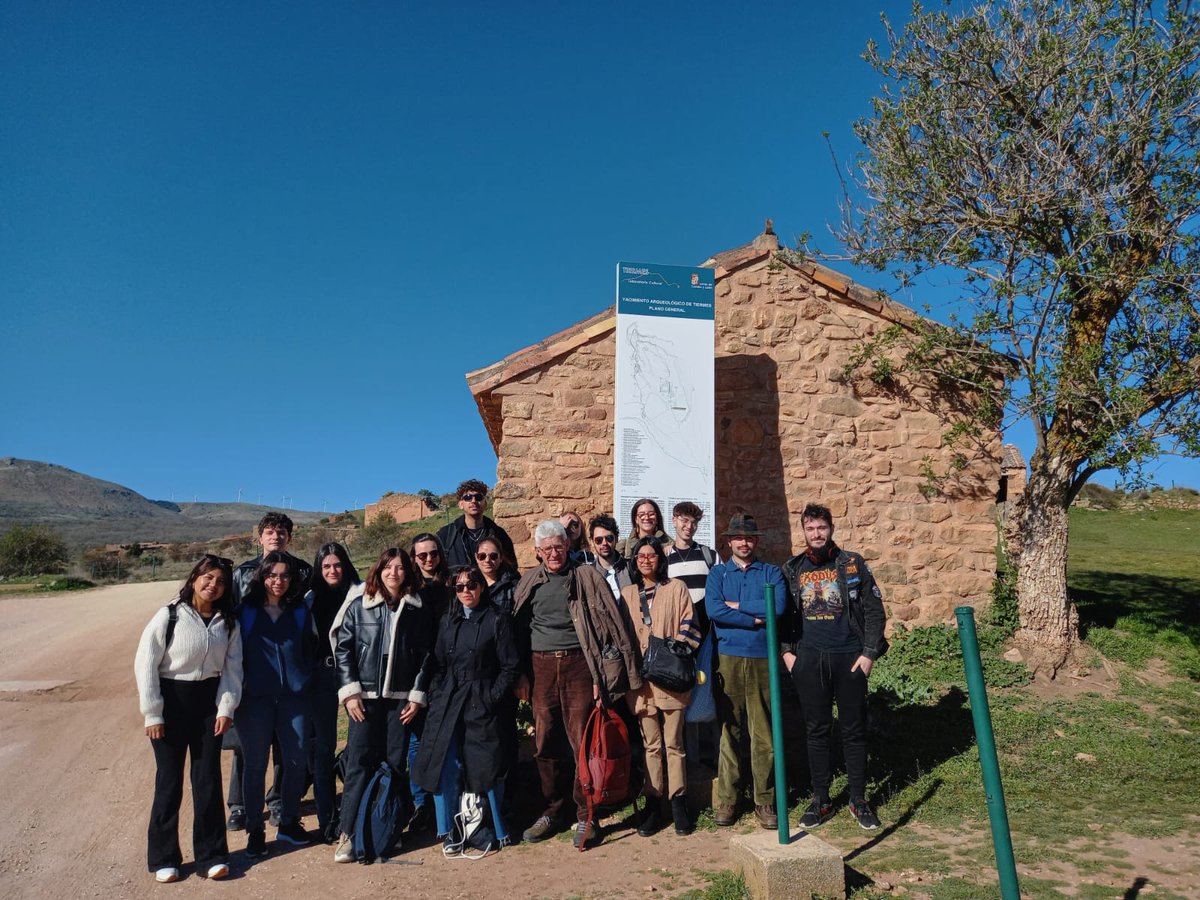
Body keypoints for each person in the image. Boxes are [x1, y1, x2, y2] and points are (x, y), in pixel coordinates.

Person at [511, 520, 642, 849]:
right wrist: (521, 674)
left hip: (579, 665)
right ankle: (553, 809)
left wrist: (603, 676)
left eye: (558, 546)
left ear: (567, 546)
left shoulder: (586, 575)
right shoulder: (529, 581)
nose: (554, 553)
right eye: (547, 549)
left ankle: (588, 814)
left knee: (584, 741)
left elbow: (610, 625)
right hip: (541, 667)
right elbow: (515, 631)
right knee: (544, 741)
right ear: (538, 552)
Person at [134, 555, 242, 884]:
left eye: (221, 581)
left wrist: (226, 708)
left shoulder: (229, 623)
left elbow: (233, 670)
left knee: (207, 780)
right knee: (169, 783)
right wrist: (152, 712)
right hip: (171, 703)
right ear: (194, 578)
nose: (213, 585)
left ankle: (212, 856)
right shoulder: (168, 616)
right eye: (207, 578)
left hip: (208, 705)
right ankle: (164, 858)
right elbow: (145, 663)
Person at [782, 503, 887, 831]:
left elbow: (874, 610)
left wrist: (868, 654)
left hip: (849, 658)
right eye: (810, 528)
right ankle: (821, 800)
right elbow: (783, 616)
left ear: (831, 529)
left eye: (821, 528)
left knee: (854, 730)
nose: (816, 534)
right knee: (817, 731)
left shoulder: (852, 563)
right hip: (810, 659)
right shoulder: (794, 568)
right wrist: (789, 655)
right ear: (804, 532)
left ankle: (858, 799)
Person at [330, 547, 436, 863]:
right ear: (379, 570)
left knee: (393, 765)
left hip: (400, 700)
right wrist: (349, 693)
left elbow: (426, 656)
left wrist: (416, 696)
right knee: (359, 763)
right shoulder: (360, 606)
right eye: (388, 567)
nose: (394, 573)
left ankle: (385, 830)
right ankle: (348, 833)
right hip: (364, 698)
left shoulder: (417, 609)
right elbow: (344, 649)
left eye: (400, 568)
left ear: (408, 572)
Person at [412, 566, 520, 849]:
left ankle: (491, 829)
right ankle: (450, 829)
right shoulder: (449, 620)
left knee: (484, 765)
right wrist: (435, 692)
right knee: (445, 763)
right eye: (459, 587)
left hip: (481, 698)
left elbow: (509, 667)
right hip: (449, 699)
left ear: (481, 587)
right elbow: (437, 664)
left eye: (471, 585)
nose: (466, 591)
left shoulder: (498, 618)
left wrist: (491, 697)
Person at [226, 512, 312, 833]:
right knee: (247, 746)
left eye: (282, 532)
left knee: (286, 745)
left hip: (290, 674)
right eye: (270, 531)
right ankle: (239, 805)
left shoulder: (303, 570)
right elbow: (233, 621)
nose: (276, 536)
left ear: (290, 537)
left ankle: (277, 801)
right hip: (255, 676)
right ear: (260, 536)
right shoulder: (242, 573)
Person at [704, 513, 788, 830]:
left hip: (762, 657)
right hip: (728, 657)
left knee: (764, 732)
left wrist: (737, 607)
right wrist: (754, 616)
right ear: (728, 541)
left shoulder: (770, 573)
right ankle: (727, 799)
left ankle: (765, 801)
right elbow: (714, 610)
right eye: (738, 537)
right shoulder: (718, 574)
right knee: (729, 731)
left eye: (749, 537)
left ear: (756, 541)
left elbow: (776, 608)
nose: (743, 542)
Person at [621, 538, 701, 837]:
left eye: (651, 555)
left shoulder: (676, 588)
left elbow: (690, 624)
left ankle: (679, 802)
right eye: (640, 555)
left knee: (675, 744)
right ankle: (653, 803)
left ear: (659, 559)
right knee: (650, 746)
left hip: (670, 681)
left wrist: (673, 650)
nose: (646, 560)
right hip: (641, 684)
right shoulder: (628, 594)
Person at [304, 543, 361, 844]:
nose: (332, 571)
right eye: (326, 566)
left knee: (358, 745)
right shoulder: (309, 600)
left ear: (345, 565)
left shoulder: (361, 594)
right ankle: (328, 818)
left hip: (355, 676)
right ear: (319, 569)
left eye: (337, 565)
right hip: (321, 676)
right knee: (323, 748)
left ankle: (354, 813)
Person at [664, 502, 719, 771]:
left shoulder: (709, 555)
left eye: (693, 523)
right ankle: (685, 764)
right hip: (678, 640)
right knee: (679, 697)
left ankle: (709, 763)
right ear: (674, 521)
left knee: (707, 693)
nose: (689, 527)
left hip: (707, 638)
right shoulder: (664, 557)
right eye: (684, 521)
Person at [407, 532, 452, 834]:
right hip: (416, 671)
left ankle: (444, 799)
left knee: (447, 736)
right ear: (414, 558)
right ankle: (419, 801)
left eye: (433, 554)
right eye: (421, 556)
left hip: (448, 669)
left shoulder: (453, 585)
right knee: (416, 739)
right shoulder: (409, 590)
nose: (428, 560)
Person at [436, 479, 517, 569]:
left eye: (478, 497)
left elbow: (511, 568)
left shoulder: (498, 534)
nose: (473, 501)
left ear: (485, 503)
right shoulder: (446, 535)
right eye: (468, 497)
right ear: (460, 504)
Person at [476, 535, 519, 616]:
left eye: (493, 556)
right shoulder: (469, 585)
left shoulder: (512, 584)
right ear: (476, 557)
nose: (487, 560)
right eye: (482, 556)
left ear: (501, 558)